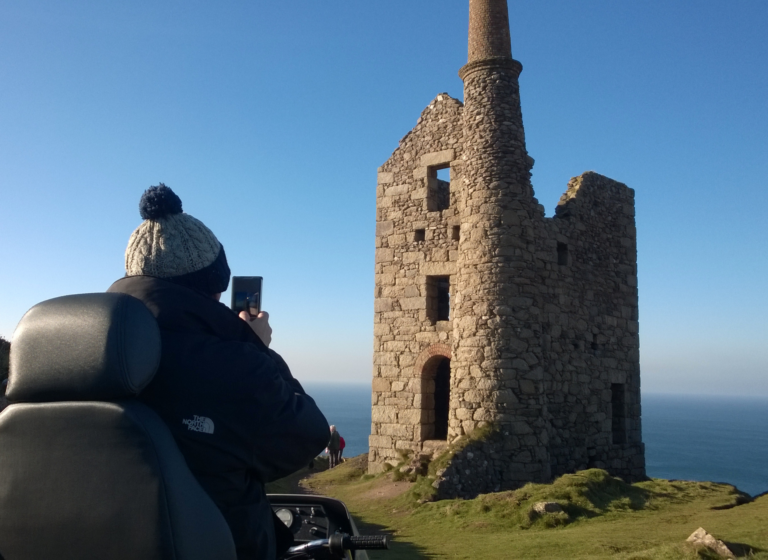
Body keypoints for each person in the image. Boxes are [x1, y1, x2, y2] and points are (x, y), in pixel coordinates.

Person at [108, 184, 329, 560]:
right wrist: (254, 347)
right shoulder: (232, 365)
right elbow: (307, 436)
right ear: (212, 288)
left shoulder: (71, 357)